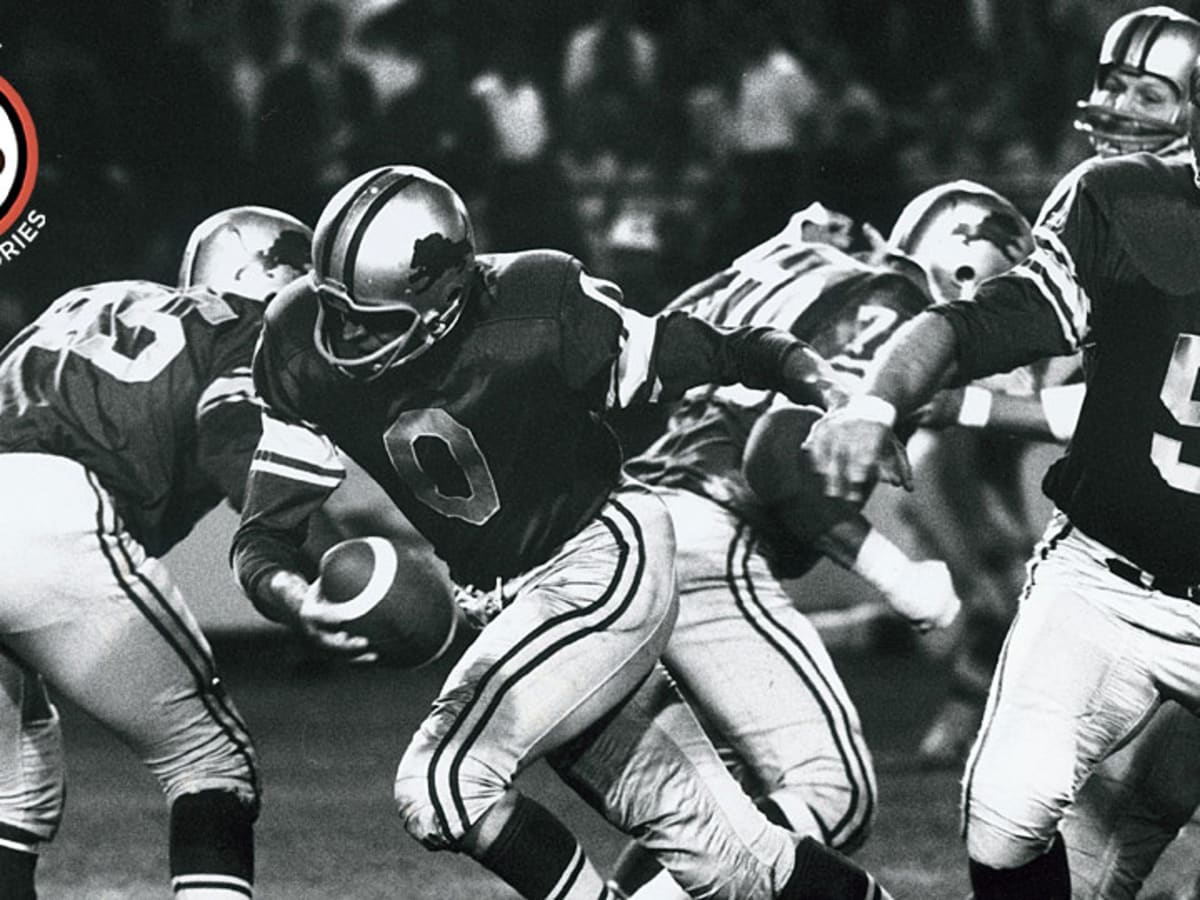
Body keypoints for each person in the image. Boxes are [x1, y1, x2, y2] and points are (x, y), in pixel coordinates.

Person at [230, 164, 898, 900]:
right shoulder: (296, 347)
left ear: (446, 300)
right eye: (335, 308)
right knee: (737, 862)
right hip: (508, 603)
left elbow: (730, 349)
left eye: (374, 318)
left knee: (445, 784)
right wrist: (298, 601)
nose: (346, 333)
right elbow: (264, 537)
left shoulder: (536, 310)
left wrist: (832, 391)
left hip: (600, 557)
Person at [803, 46, 1200, 898]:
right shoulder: (1126, 202)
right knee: (1009, 810)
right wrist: (875, 405)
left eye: (1149, 90)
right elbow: (974, 325)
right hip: (1110, 584)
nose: (1121, 107)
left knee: (1141, 809)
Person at [604, 181, 1032, 900]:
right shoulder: (896, 311)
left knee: (719, 799)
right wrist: (902, 578)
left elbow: (673, 332)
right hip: (709, 536)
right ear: (969, 264)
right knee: (831, 791)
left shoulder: (808, 268)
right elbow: (776, 457)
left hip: (636, 524)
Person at [0, 206, 312, 900]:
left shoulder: (89, 301)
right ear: (262, 274)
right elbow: (234, 439)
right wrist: (307, 567)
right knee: (210, 759)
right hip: (53, 506)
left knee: (10, 791)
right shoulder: (252, 331)